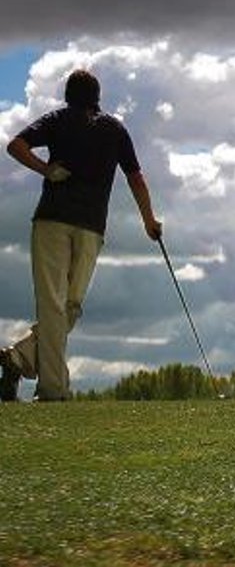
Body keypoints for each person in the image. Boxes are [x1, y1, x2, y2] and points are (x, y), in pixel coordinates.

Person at [0, 69, 162, 402]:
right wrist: (149, 221)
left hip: (51, 221)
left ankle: (19, 358)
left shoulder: (57, 119)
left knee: (56, 306)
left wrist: (45, 169)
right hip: (91, 227)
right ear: (97, 96)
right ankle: (53, 390)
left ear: (68, 95)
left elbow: (15, 146)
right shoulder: (114, 128)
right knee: (68, 306)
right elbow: (136, 178)